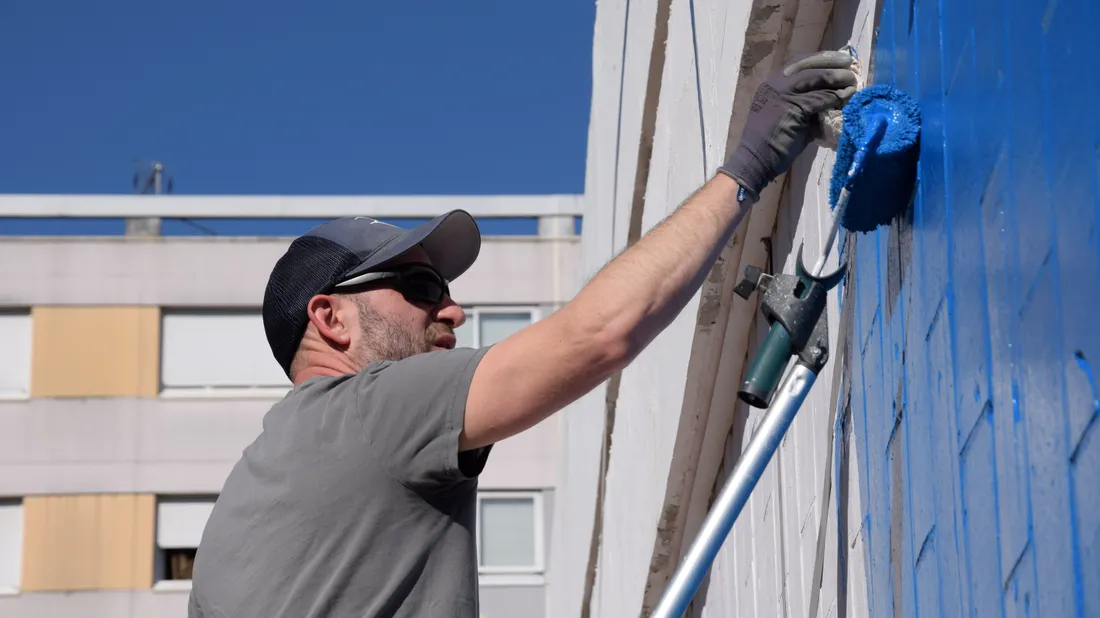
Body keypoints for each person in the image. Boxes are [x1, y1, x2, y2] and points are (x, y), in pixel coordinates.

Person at [187, 49, 858, 618]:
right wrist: (748, 166)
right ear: (331, 319)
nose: (453, 312)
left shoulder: (241, 512)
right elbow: (597, 335)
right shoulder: (364, 411)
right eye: (420, 289)